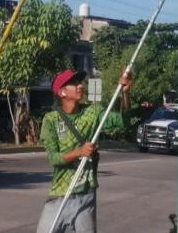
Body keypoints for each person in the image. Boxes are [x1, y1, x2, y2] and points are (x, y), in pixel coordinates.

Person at [35, 69, 132, 233]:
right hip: (59, 194)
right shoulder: (51, 119)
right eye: (74, 83)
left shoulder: (93, 111)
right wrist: (79, 152)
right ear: (62, 92)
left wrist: (126, 94)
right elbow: (54, 158)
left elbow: (123, 121)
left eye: (80, 82)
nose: (80, 86)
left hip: (86, 195)